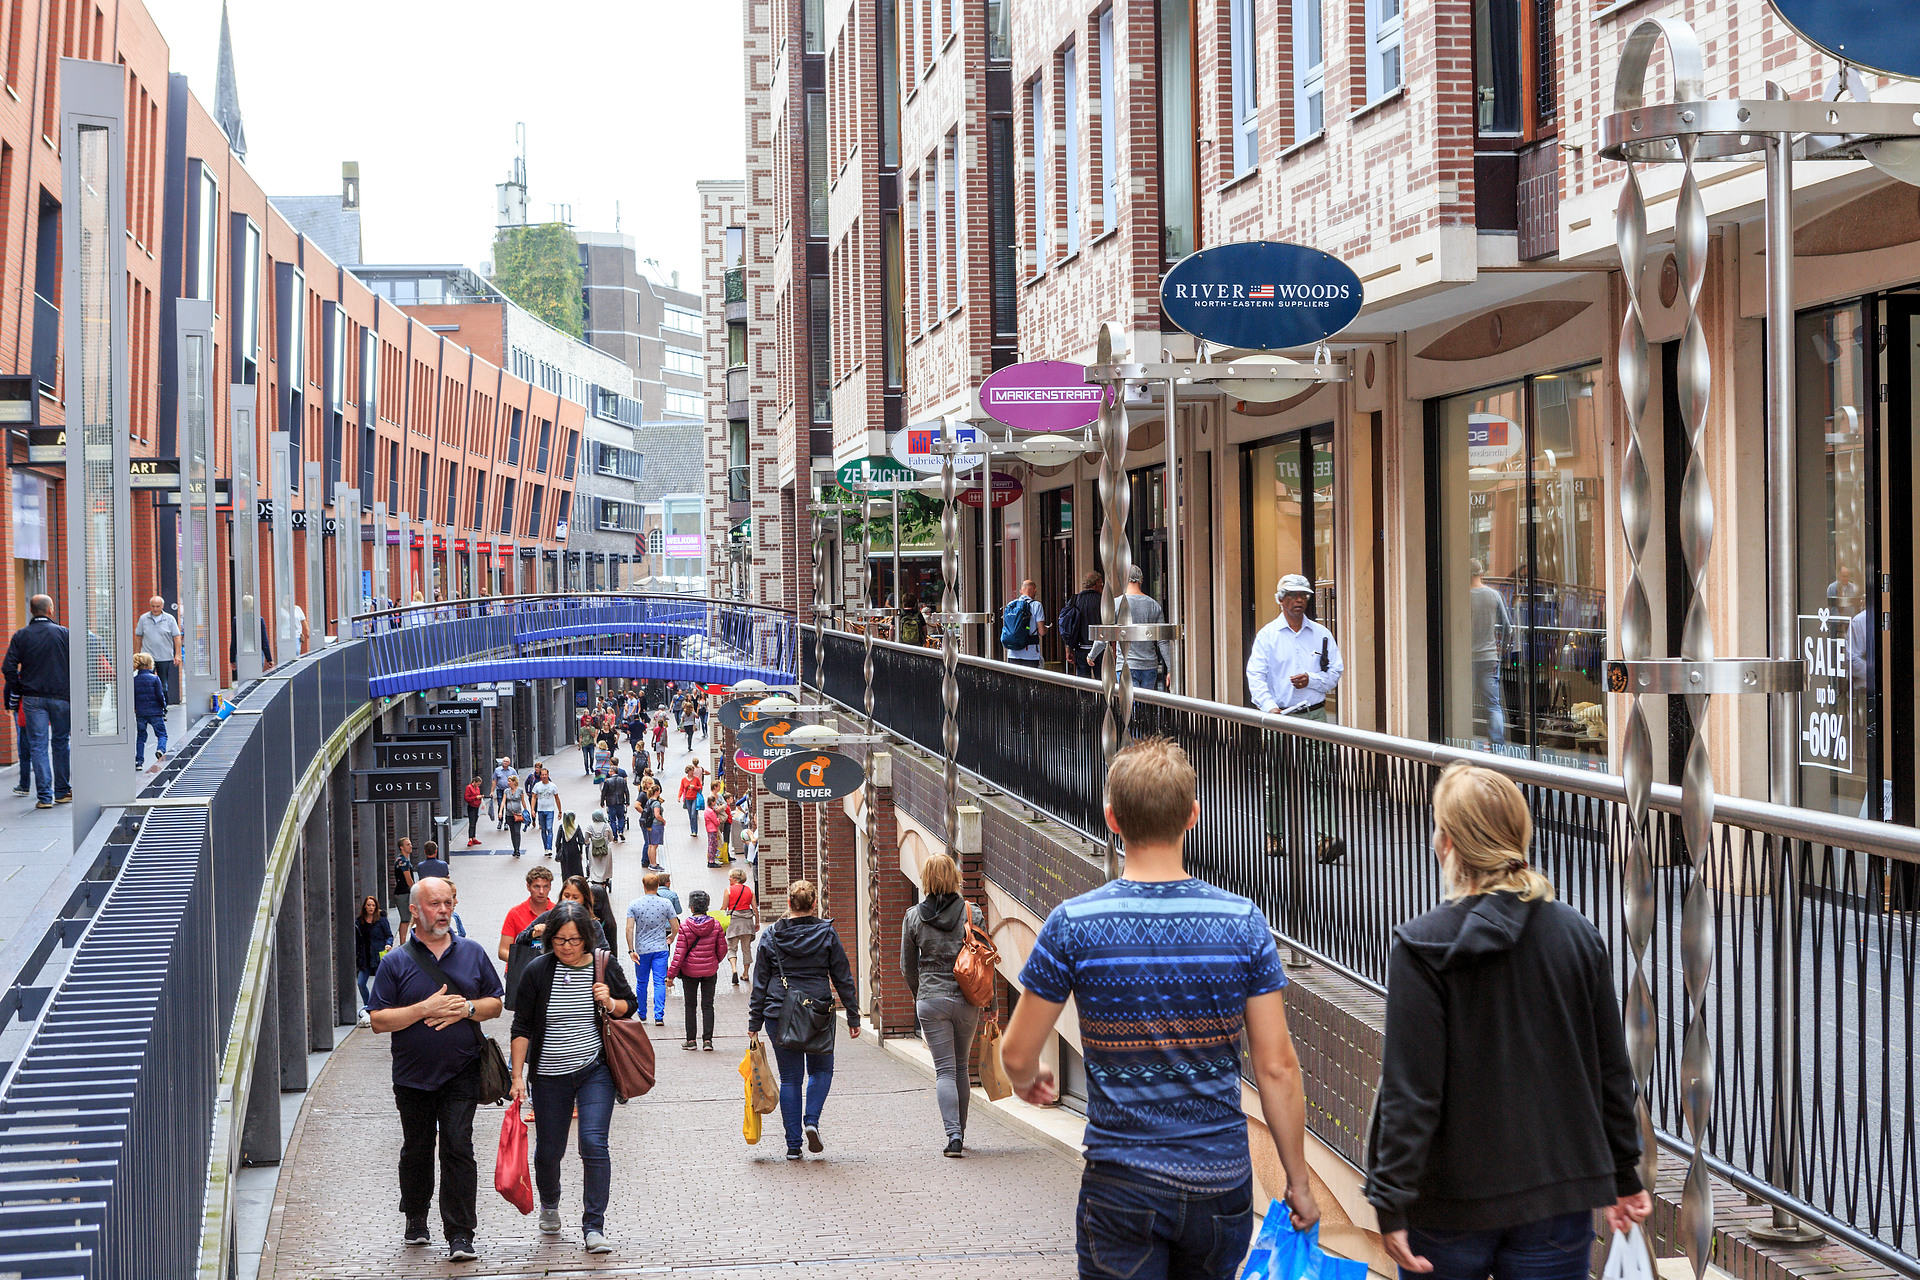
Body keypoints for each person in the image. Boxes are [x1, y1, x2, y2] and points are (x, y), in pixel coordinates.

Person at [1000, 737, 1320, 1280]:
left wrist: (1030, 1078)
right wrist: (1297, 1182)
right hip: (1219, 1182)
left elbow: (1016, 1051)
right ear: (1193, 816)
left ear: (1111, 818)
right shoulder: (1242, 923)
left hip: (1121, 1182)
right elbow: (1276, 1067)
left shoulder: (1075, 924)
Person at [1364, 763, 1650, 1280]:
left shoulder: (1424, 947)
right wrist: (1624, 1174)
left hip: (1448, 1203)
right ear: (1519, 835)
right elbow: (1611, 1071)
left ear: (1447, 843)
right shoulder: (1578, 937)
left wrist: (1390, 1200)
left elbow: (1412, 1092)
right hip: (1558, 1198)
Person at [366, 877, 504, 1261]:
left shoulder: (472, 952)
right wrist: (423, 1010)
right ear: (414, 910)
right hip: (412, 1076)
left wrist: (468, 1009)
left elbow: (495, 1002)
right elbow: (378, 1020)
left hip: (462, 1070)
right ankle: (415, 1215)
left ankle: (460, 1233)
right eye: (434, 904)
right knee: (418, 1148)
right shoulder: (395, 962)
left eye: (448, 903)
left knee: (459, 1146)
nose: (443, 910)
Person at [508, 900, 635, 1255]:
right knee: (550, 1150)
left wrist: (610, 1002)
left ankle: (594, 1225)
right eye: (560, 939)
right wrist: (518, 1076)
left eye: (575, 939)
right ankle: (550, 1202)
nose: (567, 946)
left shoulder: (603, 966)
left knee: (594, 1144)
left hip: (595, 1069)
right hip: (549, 1075)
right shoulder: (536, 971)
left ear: (588, 938)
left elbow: (630, 1006)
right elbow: (521, 1027)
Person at [747, 880, 861, 1160]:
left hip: (779, 1012)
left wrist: (754, 1023)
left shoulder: (771, 936)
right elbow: (842, 977)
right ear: (814, 905)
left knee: (790, 1078)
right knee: (821, 1071)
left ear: (788, 904)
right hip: (818, 1010)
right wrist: (854, 1014)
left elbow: (760, 981)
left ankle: (793, 1146)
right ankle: (811, 1120)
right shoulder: (827, 934)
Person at [1245, 573, 1346, 863]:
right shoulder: (1268, 636)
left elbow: (1334, 674)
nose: (1299, 600)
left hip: (1314, 715)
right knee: (1276, 778)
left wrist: (1311, 680)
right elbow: (1256, 676)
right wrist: (1269, 708)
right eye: (1292, 595)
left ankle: (1325, 839)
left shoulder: (1322, 634)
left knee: (1320, 777)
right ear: (1281, 600)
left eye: (1303, 596)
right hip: (1281, 715)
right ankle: (1274, 835)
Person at [899, 853, 988, 1157]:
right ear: (955, 877)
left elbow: (907, 966)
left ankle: (953, 1136)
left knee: (945, 1071)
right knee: (961, 1067)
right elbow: (986, 961)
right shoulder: (972, 913)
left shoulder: (913, 916)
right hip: (967, 999)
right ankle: (959, 1134)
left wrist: (919, 993)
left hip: (931, 998)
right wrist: (990, 1004)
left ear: (925, 879)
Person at [2, 594, 71, 809]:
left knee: (38, 746)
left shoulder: (21, 636)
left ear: (31, 611)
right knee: (60, 742)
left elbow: (7, 668)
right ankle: (62, 791)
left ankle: (45, 797)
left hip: (32, 698)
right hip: (61, 696)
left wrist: (19, 687)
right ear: (50, 610)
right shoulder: (63, 633)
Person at [1088, 565, 1172, 690]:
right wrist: (1170, 668)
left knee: (1131, 707)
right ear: (1141, 580)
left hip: (1126, 665)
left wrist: (1092, 655)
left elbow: (1105, 634)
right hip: (1150, 665)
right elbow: (1163, 641)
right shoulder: (1154, 605)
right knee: (1146, 705)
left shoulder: (1115, 604)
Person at [667, 889, 727, 1051]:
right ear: (706, 906)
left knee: (690, 1005)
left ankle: (691, 1040)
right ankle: (708, 1041)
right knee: (708, 1005)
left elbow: (679, 953)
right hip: (710, 971)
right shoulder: (715, 924)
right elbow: (722, 949)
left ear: (692, 907)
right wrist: (714, 961)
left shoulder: (685, 925)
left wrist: (671, 975)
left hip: (689, 972)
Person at [624, 872, 679, 1027]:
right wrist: (672, 937)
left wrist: (630, 949)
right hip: (660, 948)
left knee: (642, 982)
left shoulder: (634, 904)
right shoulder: (666, 903)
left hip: (641, 950)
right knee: (659, 982)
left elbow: (629, 929)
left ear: (644, 886)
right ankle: (659, 1015)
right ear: (657, 886)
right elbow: (675, 926)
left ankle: (642, 1012)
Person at [1467, 560, 1512, 750]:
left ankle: (1460, 744)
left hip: (1466, 659)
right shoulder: (1494, 595)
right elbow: (1507, 628)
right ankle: (1498, 748)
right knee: (1493, 705)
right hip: (1489, 657)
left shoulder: (1462, 597)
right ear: (1482, 573)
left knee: (1462, 703)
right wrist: (1501, 650)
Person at [498, 866, 556, 1010]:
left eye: (545, 886)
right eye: (536, 886)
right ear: (528, 887)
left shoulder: (557, 912)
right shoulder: (515, 913)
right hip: (521, 974)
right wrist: (526, 962)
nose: (541, 891)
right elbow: (503, 951)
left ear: (550, 887)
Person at [513, 875, 611, 953]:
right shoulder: (548, 917)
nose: (569, 900)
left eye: (575, 897)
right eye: (566, 895)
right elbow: (519, 940)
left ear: (584, 900)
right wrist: (534, 933)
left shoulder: (593, 925)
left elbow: (604, 954)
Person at [133, 596, 182, 704]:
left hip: (164, 657)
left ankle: (163, 708)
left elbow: (177, 637)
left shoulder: (169, 619)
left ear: (162, 606)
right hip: (147, 658)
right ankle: (147, 706)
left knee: (162, 685)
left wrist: (178, 654)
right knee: (146, 684)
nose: (155, 609)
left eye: (158, 606)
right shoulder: (143, 619)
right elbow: (138, 637)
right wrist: (136, 655)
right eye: (153, 606)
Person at [354, 894, 394, 1020]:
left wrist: (388, 944)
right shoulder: (359, 922)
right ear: (365, 907)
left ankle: (383, 1006)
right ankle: (368, 1005)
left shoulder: (381, 920)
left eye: (373, 905)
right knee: (361, 983)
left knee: (382, 982)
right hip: (364, 957)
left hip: (378, 955)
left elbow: (389, 935)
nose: (371, 908)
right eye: (369, 905)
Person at [1061, 571, 1105, 678]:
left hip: (1081, 648)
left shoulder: (1075, 600)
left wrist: (1069, 648)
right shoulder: (1103, 602)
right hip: (1101, 648)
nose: (1102, 586)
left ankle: (1084, 695)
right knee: (1102, 682)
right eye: (1101, 583)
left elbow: (1068, 626)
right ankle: (1101, 696)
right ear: (1095, 584)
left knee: (1083, 683)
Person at [132, 652, 168, 772]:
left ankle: (139, 761)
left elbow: (133, 697)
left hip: (141, 713)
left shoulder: (134, 680)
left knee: (141, 736)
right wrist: (163, 706)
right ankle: (161, 749)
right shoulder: (155, 678)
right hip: (155, 712)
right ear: (150, 665)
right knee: (162, 734)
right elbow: (160, 695)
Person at [722, 867, 757, 988]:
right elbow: (755, 908)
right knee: (746, 948)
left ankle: (734, 969)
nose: (729, 879)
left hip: (734, 922)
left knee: (732, 948)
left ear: (735, 878)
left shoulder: (728, 890)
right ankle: (746, 973)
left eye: (730, 877)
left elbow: (724, 908)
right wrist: (757, 922)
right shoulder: (750, 891)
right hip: (747, 922)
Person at [1001, 578, 1047, 667]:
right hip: (1030, 653)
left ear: (1021, 591)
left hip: (1012, 652)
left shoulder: (1011, 605)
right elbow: (1041, 631)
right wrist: (1046, 629)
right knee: (1031, 680)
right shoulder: (1036, 605)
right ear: (1035, 590)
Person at [391, 838, 417, 946]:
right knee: (405, 919)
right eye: (407, 844)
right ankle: (402, 943)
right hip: (403, 893)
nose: (410, 846)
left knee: (409, 917)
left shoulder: (403, 860)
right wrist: (416, 890)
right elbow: (408, 879)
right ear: (402, 847)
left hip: (403, 892)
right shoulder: (403, 861)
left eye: (410, 844)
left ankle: (406, 941)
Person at [532, 768, 561, 854]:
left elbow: (557, 798)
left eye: (545, 774)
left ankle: (549, 848)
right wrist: (532, 809)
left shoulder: (552, 786)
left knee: (549, 828)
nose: (544, 776)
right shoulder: (537, 785)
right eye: (542, 775)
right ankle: (545, 848)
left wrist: (560, 811)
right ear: (540, 776)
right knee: (543, 829)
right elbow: (533, 797)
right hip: (540, 810)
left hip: (550, 810)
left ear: (548, 775)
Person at [585, 809, 614, 891]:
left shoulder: (589, 826)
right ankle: (604, 879)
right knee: (605, 865)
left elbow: (586, 840)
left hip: (593, 849)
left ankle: (594, 879)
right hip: (605, 849)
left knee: (594, 865)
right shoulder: (606, 826)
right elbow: (611, 838)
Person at [500, 775, 529, 856]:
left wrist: (525, 810)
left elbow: (523, 801)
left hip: (518, 814)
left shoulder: (520, 790)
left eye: (510, 781)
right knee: (512, 832)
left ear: (514, 782)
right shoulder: (506, 791)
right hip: (509, 815)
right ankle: (515, 849)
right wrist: (500, 811)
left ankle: (518, 849)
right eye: (508, 781)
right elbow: (503, 801)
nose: (508, 783)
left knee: (517, 831)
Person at [600, 768, 630, 843]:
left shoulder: (608, 781)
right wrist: (627, 801)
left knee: (612, 819)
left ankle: (615, 836)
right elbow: (626, 791)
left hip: (611, 803)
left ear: (613, 772)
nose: (609, 772)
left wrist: (602, 802)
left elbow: (604, 792)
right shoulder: (622, 780)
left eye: (610, 771)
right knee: (621, 817)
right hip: (620, 802)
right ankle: (620, 831)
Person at [555, 811, 586, 882]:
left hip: (564, 852)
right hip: (575, 851)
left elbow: (557, 842)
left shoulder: (562, 827)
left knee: (566, 871)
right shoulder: (576, 827)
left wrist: (558, 851)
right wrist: (581, 852)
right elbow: (581, 841)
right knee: (576, 870)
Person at [678, 764, 702, 837]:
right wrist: (679, 796)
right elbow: (681, 788)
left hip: (694, 798)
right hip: (687, 799)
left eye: (693, 770)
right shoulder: (684, 780)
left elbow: (700, 787)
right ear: (688, 771)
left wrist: (694, 787)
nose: (693, 772)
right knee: (690, 815)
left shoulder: (696, 779)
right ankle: (692, 830)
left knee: (693, 814)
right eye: (691, 771)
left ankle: (695, 831)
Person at [462, 774, 485, 847]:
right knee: (472, 822)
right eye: (477, 784)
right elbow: (466, 798)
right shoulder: (469, 787)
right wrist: (476, 797)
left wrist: (480, 797)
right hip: (471, 806)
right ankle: (470, 838)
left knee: (475, 821)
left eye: (479, 785)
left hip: (477, 806)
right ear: (474, 782)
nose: (478, 786)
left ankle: (473, 837)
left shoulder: (477, 788)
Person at [493, 757, 515, 828]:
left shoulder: (512, 771)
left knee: (508, 806)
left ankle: (506, 823)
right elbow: (494, 781)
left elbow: (516, 781)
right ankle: (500, 821)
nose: (504, 762)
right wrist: (491, 791)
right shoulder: (497, 770)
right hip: (500, 790)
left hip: (509, 791)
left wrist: (514, 790)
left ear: (509, 763)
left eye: (506, 761)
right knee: (500, 805)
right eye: (504, 761)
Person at [703, 793, 724, 867]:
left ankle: (711, 860)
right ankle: (711, 861)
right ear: (712, 802)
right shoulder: (711, 812)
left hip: (710, 829)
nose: (715, 803)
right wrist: (718, 819)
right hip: (712, 830)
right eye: (714, 801)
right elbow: (716, 822)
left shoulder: (708, 810)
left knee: (712, 845)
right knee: (712, 845)